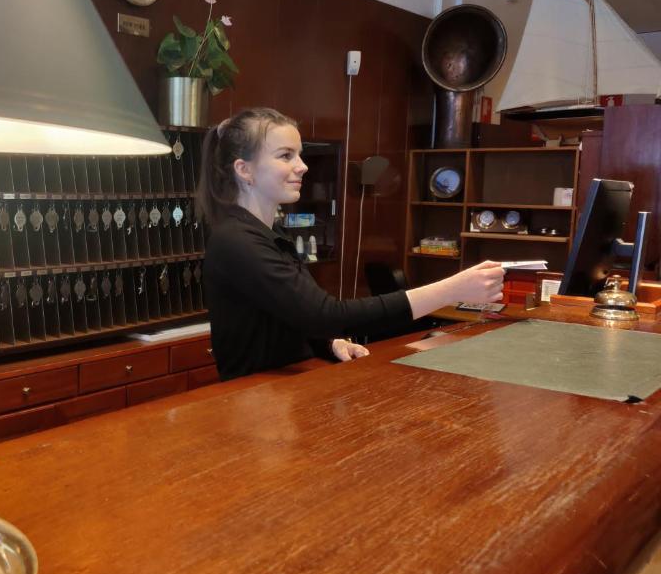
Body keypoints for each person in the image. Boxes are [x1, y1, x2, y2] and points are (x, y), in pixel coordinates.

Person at [200, 107, 505, 380]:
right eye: (285, 155)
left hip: (285, 394)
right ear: (244, 170)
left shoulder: (270, 233)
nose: (302, 165)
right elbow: (325, 314)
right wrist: (452, 289)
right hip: (249, 404)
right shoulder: (237, 241)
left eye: (300, 154)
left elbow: (290, 314)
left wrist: (330, 343)